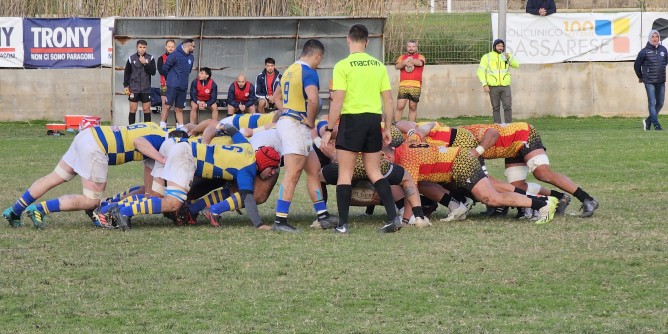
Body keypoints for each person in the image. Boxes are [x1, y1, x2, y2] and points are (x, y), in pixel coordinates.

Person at [2, 123, 166, 229]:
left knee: (55, 177)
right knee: (92, 199)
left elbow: (149, 191)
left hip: (89, 135)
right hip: (98, 147)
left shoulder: (157, 128)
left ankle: (15, 211)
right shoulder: (163, 142)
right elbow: (139, 143)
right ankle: (39, 209)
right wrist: (163, 160)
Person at [321, 24, 400, 234]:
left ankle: (343, 225)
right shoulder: (378, 65)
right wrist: (388, 126)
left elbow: (337, 101)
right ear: (367, 41)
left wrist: (329, 128)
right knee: (374, 171)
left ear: (348, 40)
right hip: (373, 120)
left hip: (352, 121)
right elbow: (389, 101)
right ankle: (394, 217)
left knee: (344, 173)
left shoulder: (342, 66)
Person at [462, 122, 599, 217]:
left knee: (543, 173)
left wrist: (477, 151)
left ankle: (587, 199)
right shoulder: (455, 146)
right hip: (510, 149)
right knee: (518, 187)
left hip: (523, 135)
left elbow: (492, 133)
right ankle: (559, 198)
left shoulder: (463, 137)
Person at [271, 39, 338, 233]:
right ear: (317, 55)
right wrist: (309, 120)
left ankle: (322, 215)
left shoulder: (289, 70)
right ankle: (280, 220)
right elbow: (314, 99)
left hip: (289, 123)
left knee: (313, 169)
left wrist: (286, 110)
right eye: (321, 59)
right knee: (293, 173)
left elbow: (275, 96)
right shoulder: (309, 72)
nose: (320, 62)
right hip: (296, 127)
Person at [477, 39, 519, 124]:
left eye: (502, 46)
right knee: (496, 107)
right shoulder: (487, 57)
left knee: (507, 106)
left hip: (505, 86)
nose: (501, 48)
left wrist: (509, 58)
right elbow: (480, 71)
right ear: (494, 46)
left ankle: (509, 126)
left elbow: (517, 65)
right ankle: (497, 126)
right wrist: (484, 84)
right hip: (493, 87)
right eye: (499, 46)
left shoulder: (506, 56)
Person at [634, 29, 668, 131]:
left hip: (661, 81)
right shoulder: (644, 52)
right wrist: (641, 77)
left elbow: (664, 63)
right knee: (652, 103)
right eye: (653, 37)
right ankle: (656, 125)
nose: (655, 39)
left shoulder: (663, 50)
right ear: (649, 38)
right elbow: (636, 65)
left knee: (660, 103)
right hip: (649, 82)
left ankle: (648, 121)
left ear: (659, 38)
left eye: (656, 36)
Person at [163, 39, 196, 130]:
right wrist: (171, 79)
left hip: (183, 86)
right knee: (168, 105)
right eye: (193, 46)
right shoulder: (174, 55)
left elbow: (188, 71)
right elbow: (165, 69)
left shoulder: (191, 57)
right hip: (173, 86)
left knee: (179, 108)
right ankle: (162, 127)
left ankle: (181, 129)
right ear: (188, 46)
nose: (194, 48)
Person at [123, 40, 156, 125]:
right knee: (133, 109)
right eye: (140, 47)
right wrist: (126, 85)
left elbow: (153, 72)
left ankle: (147, 129)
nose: (142, 49)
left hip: (146, 88)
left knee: (146, 109)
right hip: (134, 88)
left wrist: (145, 63)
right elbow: (127, 73)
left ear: (146, 48)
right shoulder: (131, 58)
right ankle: (131, 129)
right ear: (137, 47)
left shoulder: (150, 58)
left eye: (144, 47)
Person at [394, 40, 426, 122]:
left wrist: (410, 60)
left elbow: (420, 63)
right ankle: (396, 126)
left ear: (416, 48)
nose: (411, 48)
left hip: (415, 86)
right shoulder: (402, 57)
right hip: (403, 85)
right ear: (406, 47)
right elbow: (397, 66)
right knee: (400, 106)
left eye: (413, 46)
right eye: (409, 46)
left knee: (413, 107)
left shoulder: (420, 56)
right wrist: (404, 63)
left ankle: (411, 127)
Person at [157, 39, 176, 129]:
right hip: (165, 84)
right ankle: (162, 126)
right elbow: (161, 71)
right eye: (169, 46)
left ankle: (178, 127)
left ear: (175, 47)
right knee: (165, 105)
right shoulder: (161, 58)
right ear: (166, 47)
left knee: (178, 106)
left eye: (172, 46)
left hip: (176, 85)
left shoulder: (178, 57)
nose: (170, 48)